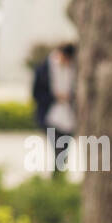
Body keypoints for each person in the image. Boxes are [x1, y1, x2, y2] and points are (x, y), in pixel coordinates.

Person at [32, 43, 77, 176]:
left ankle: (58, 176)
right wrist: (55, 97)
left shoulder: (75, 69)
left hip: (69, 117)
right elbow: (36, 94)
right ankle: (57, 177)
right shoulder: (43, 69)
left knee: (64, 149)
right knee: (58, 149)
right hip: (50, 116)